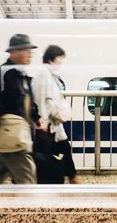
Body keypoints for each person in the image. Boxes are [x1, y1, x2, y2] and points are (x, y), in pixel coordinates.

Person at [0, 34, 43, 184]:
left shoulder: (21, 74)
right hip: (12, 132)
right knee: (27, 178)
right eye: (26, 50)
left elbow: (26, 101)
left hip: (17, 133)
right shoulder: (4, 72)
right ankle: (30, 205)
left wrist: (36, 116)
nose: (30, 54)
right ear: (13, 52)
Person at [32, 45, 79, 184]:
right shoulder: (44, 74)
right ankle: (72, 180)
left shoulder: (50, 75)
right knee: (56, 152)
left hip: (52, 126)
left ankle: (72, 178)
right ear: (52, 58)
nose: (61, 61)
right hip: (47, 126)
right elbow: (43, 99)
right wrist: (53, 114)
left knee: (63, 149)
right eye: (60, 57)